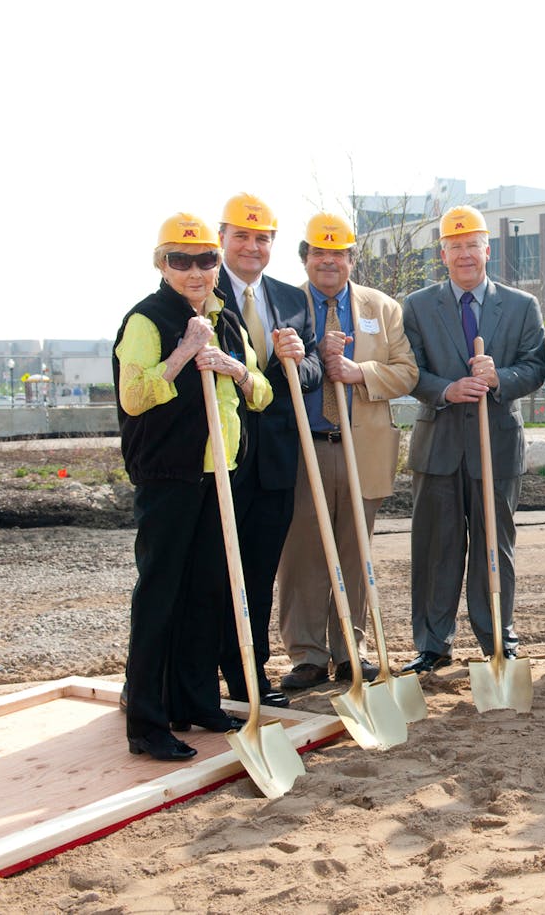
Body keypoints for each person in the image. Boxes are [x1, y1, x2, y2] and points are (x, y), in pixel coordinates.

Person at [112, 213, 275, 761]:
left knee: (208, 590)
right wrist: (183, 352)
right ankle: (147, 721)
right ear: (162, 265)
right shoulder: (146, 320)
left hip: (219, 475)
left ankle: (197, 700)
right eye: (180, 261)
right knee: (161, 594)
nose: (195, 271)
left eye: (205, 260)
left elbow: (263, 395)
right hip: (169, 476)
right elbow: (134, 397)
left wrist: (231, 365)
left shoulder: (227, 322)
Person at [275, 213, 419, 688]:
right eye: (319, 252)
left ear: (352, 258)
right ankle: (307, 654)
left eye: (339, 253)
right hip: (304, 448)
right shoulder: (287, 306)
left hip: (362, 446)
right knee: (302, 553)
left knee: (355, 550)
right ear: (305, 258)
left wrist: (360, 374)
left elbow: (407, 373)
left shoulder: (383, 308)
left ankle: (349, 649)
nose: (329, 261)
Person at [402, 205, 545, 672]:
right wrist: (445, 388)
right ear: (442, 254)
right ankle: (432, 642)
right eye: (454, 247)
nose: (465, 255)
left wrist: (499, 377)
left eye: (472, 245)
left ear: (488, 249)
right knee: (435, 547)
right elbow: (410, 370)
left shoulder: (522, 305)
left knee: (493, 544)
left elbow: (535, 366)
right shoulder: (418, 306)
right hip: (438, 445)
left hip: (496, 445)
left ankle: (496, 636)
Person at [212, 192, 321, 708]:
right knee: (209, 568)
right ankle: (188, 677)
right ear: (222, 239)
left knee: (257, 570)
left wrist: (301, 360)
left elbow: (315, 372)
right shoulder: (200, 289)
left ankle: (248, 677)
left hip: (276, 458)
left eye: (262, 239)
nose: (252, 248)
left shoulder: (292, 300)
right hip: (221, 457)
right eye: (242, 237)